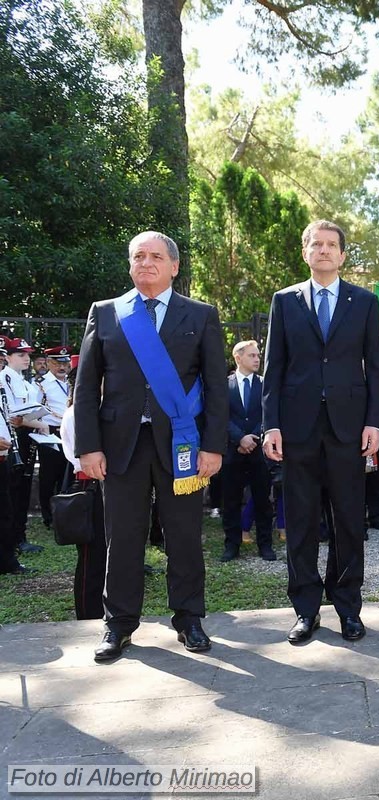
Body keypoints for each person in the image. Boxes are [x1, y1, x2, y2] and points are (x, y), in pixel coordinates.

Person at [74, 230, 228, 662]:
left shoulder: (200, 315)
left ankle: (189, 619)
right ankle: (118, 624)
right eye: (138, 256)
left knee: (184, 535)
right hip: (120, 445)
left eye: (155, 256)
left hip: (183, 447)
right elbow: (86, 387)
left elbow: (217, 388)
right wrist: (89, 446)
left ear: (174, 266)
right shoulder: (107, 313)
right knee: (122, 537)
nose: (146, 263)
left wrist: (213, 446)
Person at [263, 220, 379, 644]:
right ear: (305, 252)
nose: (324, 250)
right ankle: (305, 609)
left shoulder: (365, 302)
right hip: (296, 430)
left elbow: (375, 370)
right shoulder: (284, 301)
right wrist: (271, 425)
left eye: (332, 245)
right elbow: (273, 368)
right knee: (300, 521)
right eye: (316, 244)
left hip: (349, 429)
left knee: (350, 521)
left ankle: (348, 607)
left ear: (343, 254)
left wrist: (374, 422)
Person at [220, 340, 275, 562]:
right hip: (233, 452)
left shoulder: (265, 385)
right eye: (252, 355)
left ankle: (265, 545)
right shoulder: (225, 385)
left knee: (263, 500)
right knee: (231, 501)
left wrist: (252, 436)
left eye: (258, 356)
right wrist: (239, 438)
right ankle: (232, 545)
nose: (257, 359)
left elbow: (269, 413)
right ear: (238, 357)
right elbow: (220, 415)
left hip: (258, 451)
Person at [58, 381, 106, 618]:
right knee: (91, 556)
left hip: (107, 484)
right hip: (91, 484)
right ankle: (89, 614)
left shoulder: (99, 407)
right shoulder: (78, 413)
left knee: (107, 553)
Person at [2, 337, 45, 554]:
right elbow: (12, 417)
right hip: (14, 436)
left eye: (28, 355)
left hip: (28, 435)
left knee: (24, 487)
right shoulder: (5, 379)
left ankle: (21, 533)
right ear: (7, 357)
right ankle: (15, 538)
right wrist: (40, 423)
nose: (27, 359)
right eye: (21, 355)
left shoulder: (24, 381)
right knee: (14, 489)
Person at [36, 346, 72, 527]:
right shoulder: (41, 383)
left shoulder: (71, 382)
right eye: (57, 363)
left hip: (69, 431)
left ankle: (64, 514)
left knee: (67, 475)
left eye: (65, 363)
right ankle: (48, 516)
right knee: (49, 476)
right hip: (50, 432)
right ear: (49, 363)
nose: (62, 367)